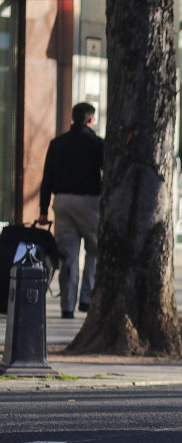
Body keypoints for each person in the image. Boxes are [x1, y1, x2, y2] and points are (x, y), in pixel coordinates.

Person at [38, 102, 104, 319]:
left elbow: (47, 178)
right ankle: (87, 298)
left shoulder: (57, 144)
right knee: (95, 250)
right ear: (91, 120)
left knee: (68, 255)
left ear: (73, 118)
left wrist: (43, 211)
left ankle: (67, 305)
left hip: (63, 202)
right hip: (90, 202)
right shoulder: (97, 144)